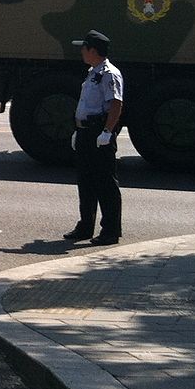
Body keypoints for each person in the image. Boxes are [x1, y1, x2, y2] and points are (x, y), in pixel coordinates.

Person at [64, 29, 124, 244]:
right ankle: (85, 226)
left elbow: (116, 104)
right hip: (85, 131)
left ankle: (110, 231)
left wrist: (107, 132)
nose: (81, 52)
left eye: (84, 48)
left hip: (99, 132)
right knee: (86, 181)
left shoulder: (109, 73)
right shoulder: (93, 71)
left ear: (93, 50)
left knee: (105, 183)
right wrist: (78, 130)